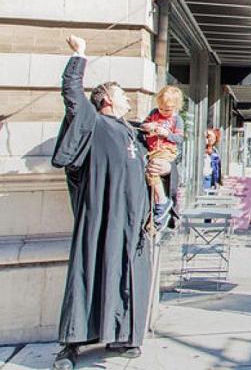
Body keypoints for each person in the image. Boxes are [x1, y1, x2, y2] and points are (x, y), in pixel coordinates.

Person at [50, 35, 171, 370]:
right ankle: (72, 343)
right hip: (103, 219)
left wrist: (165, 169)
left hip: (134, 223)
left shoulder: (132, 132)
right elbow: (72, 96)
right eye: (121, 95)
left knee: (131, 277)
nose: (128, 101)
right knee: (90, 274)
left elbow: (154, 166)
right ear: (105, 100)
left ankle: (124, 337)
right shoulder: (95, 124)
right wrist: (80, 55)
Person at [139, 85, 184, 228]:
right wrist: (149, 126)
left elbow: (180, 139)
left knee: (153, 170)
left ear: (175, 107)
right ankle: (160, 200)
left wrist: (167, 134)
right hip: (152, 149)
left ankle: (162, 200)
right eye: (161, 108)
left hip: (166, 149)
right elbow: (142, 126)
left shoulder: (177, 119)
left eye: (168, 109)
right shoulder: (153, 113)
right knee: (150, 172)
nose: (164, 112)